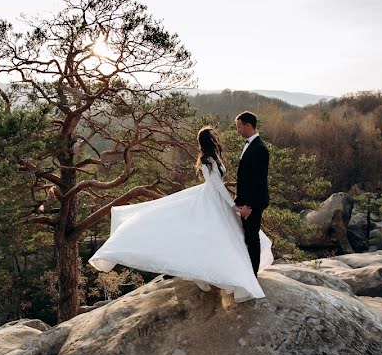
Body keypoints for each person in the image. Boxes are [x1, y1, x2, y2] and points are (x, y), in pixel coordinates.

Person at [88, 125, 273, 302]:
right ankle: (204, 275)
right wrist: (233, 205)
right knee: (214, 238)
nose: (218, 139)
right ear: (210, 140)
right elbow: (216, 185)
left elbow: (220, 184)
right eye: (214, 137)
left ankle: (215, 274)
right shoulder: (208, 160)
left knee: (218, 239)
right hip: (211, 202)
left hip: (217, 201)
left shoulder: (214, 157)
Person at [233, 111, 270, 274]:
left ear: (248, 125)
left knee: (252, 238)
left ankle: (252, 275)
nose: (238, 130)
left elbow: (257, 181)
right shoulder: (250, 145)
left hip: (253, 203)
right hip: (245, 202)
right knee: (247, 237)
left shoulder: (259, 148)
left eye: (239, 126)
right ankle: (247, 271)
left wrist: (249, 205)